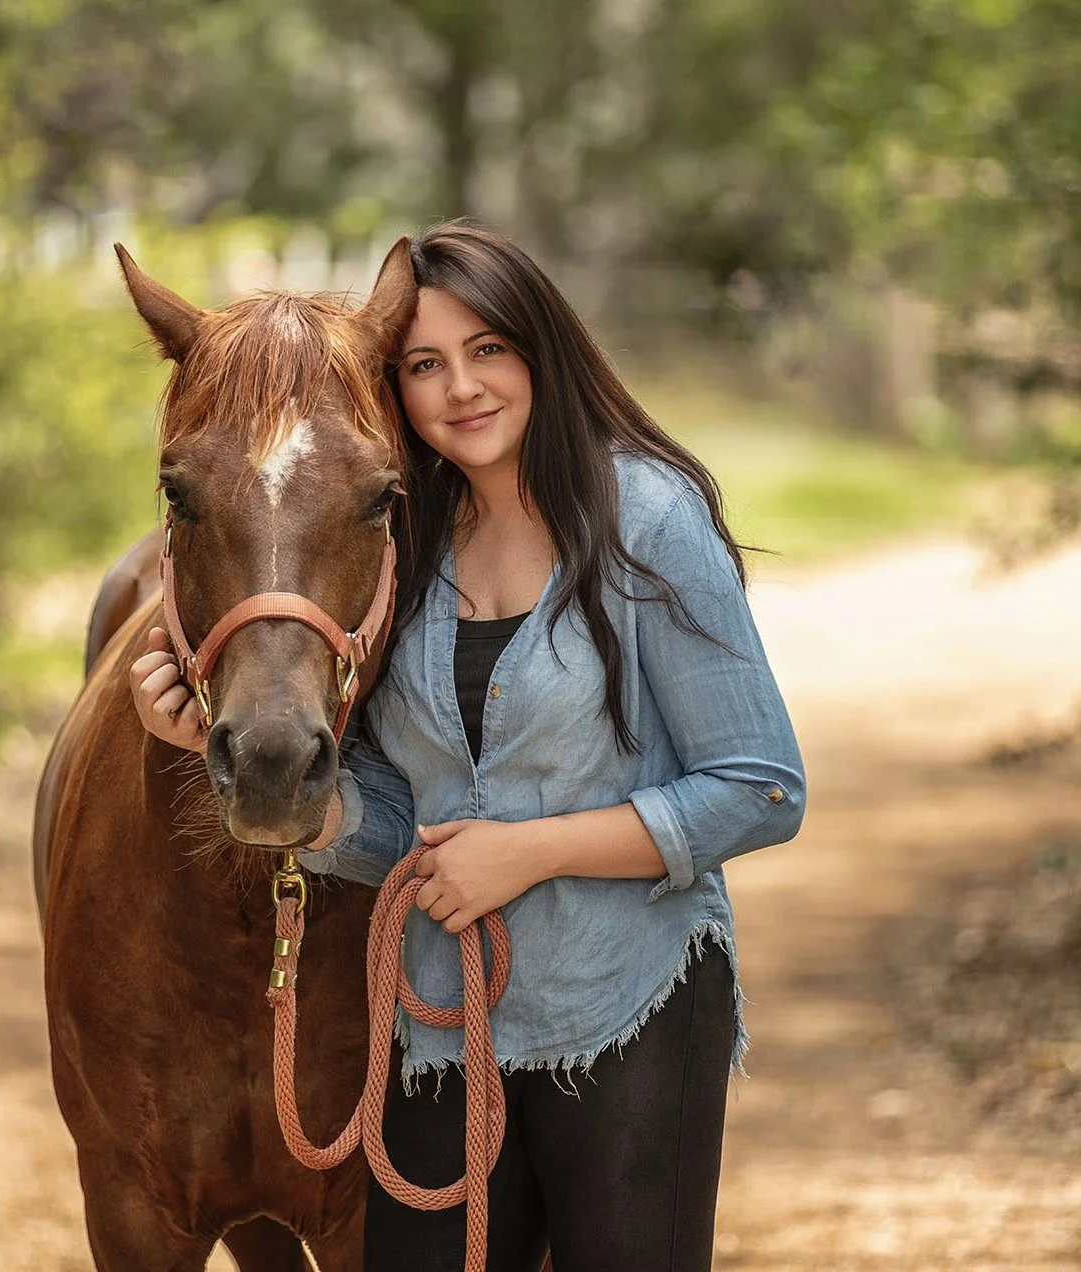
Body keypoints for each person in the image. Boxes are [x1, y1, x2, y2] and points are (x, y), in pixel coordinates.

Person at [129, 222, 805, 1272]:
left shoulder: (646, 520)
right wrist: (290, 795)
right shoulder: (404, 551)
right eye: (425, 366)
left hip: (624, 1008)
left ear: (542, 351)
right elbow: (407, 815)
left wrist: (530, 850)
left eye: (488, 350)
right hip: (445, 1033)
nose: (462, 389)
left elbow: (761, 790)